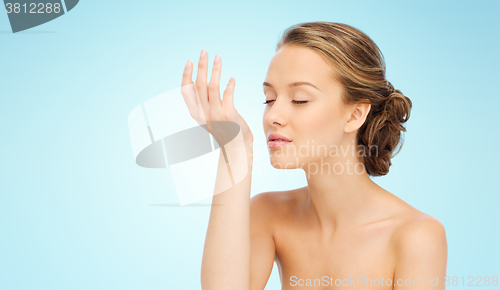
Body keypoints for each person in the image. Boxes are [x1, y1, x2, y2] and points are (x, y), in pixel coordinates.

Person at [181, 21, 447, 290]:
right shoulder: (268, 214)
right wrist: (234, 149)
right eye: (269, 99)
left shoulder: (415, 236)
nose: (272, 116)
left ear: (355, 114)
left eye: (299, 99)